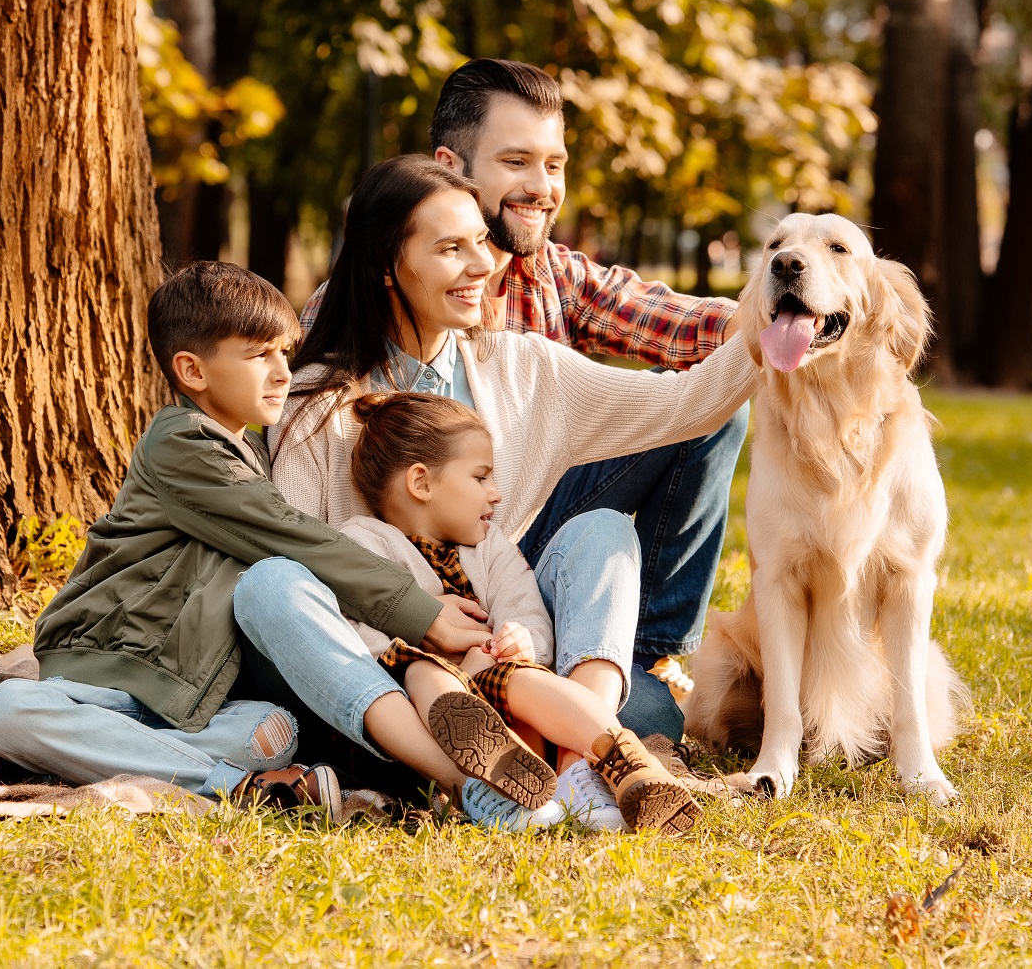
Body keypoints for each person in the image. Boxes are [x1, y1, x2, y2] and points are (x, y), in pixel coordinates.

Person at [237, 155, 756, 804]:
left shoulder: (523, 366)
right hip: (384, 668)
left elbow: (685, 406)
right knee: (274, 589)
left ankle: (577, 764)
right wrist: (420, 620)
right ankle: (479, 768)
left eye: (479, 240)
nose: (483, 265)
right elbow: (309, 572)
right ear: (386, 266)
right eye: (451, 248)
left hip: (502, 651)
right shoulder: (315, 406)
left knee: (604, 547)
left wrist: (773, 321)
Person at [302, 59, 748, 736]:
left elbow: (677, 329)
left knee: (700, 423)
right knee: (647, 720)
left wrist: (778, 317)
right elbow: (318, 528)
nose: (542, 188)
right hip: (409, 588)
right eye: (517, 161)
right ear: (450, 167)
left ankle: (642, 660)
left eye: (555, 165)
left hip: (523, 533)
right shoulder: (351, 333)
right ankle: (582, 721)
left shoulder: (549, 287)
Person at [0, 262, 491, 820]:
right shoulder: (180, 443)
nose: (282, 371)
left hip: (195, 699)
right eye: (258, 355)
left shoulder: (251, 452)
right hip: (117, 676)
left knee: (273, 731)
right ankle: (233, 785)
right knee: (11, 709)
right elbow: (293, 534)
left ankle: (63, 760)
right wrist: (418, 610)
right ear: (192, 370)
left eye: (284, 352)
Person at [340, 391, 703, 834]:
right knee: (436, 680)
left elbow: (528, 611)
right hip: (425, 699)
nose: (495, 494)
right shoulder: (363, 543)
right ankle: (520, 789)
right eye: (480, 477)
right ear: (421, 482)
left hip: (498, 682)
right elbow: (356, 631)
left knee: (526, 677)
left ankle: (625, 763)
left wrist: (521, 637)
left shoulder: (490, 546)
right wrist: (446, 656)